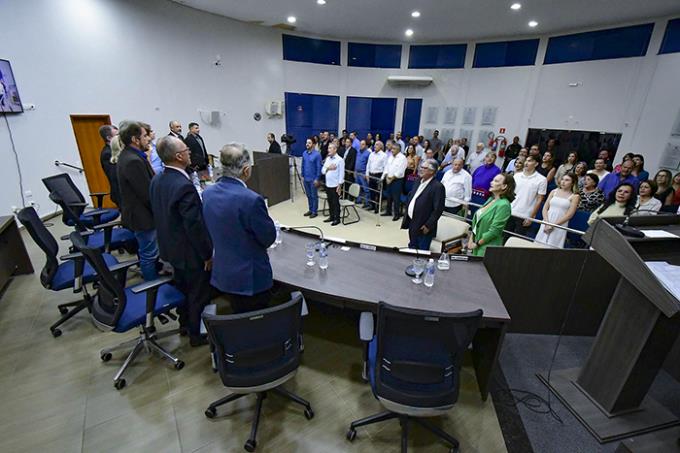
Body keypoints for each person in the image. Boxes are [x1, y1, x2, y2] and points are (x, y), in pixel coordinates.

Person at [149, 136, 212, 347]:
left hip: (170, 249)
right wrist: (207, 254)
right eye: (187, 150)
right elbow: (194, 225)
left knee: (184, 291)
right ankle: (197, 334)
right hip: (189, 253)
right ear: (178, 156)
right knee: (197, 294)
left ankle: (185, 325)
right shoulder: (184, 186)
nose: (189, 153)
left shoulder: (157, 179)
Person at [203, 143, 276, 313]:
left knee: (238, 314)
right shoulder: (251, 200)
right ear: (246, 170)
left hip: (224, 273)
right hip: (250, 279)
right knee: (255, 319)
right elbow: (268, 238)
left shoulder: (208, 193)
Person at [116, 121, 159, 281]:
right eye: (145, 136)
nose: (148, 139)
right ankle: (153, 287)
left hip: (140, 214)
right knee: (149, 255)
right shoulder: (133, 160)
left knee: (149, 252)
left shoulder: (131, 155)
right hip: (143, 217)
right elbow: (147, 194)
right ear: (135, 139)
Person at [401, 159, 445, 250]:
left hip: (423, 227)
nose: (420, 169)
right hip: (412, 222)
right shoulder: (418, 181)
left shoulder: (438, 187)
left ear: (432, 171)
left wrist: (428, 225)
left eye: (424, 168)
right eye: (420, 167)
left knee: (421, 253)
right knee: (412, 248)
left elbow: (438, 209)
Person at [467, 173, 515, 257]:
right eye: (493, 180)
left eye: (496, 181)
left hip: (487, 248)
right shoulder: (490, 199)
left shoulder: (504, 205)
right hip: (476, 244)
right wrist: (471, 239)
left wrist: (477, 243)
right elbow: (477, 223)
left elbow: (494, 231)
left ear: (504, 186)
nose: (491, 182)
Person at [534, 174, 580, 248]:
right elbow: (545, 208)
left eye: (567, 180)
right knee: (539, 243)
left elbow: (570, 214)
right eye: (562, 179)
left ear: (572, 183)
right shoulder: (553, 191)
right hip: (547, 220)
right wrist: (546, 223)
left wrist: (553, 225)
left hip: (560, 223)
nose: (563, 182)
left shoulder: (575, 196)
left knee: (553, 245)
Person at [510, 155, 547, 236]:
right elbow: (510, 193)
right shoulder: (516, 175)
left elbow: (539, 200)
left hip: (525, 215)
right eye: (526, 160)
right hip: (510, 211)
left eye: (530, 161)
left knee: (516, 242)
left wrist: (531, 217)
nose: (526, 162)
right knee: (504, 237)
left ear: (536, 164)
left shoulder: (542, 180)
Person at [381, 143, 408, 221]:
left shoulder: (402, 158)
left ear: (398, 150)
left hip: (397, 180)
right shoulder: (390, 157)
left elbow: (400, 171)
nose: (392, 150)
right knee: (389, 196)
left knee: (396, 198)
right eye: (391, 148)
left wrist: (391, 179)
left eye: (394, 149)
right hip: (388, 179)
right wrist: (385, 177)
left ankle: (397, 214)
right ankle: (388, 211)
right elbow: (386, 167)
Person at [322, 143, 344, 226]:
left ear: (335, 150)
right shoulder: (328, 159)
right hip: (328, 184)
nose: (328, 150)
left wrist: (340, 185)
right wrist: (328, 168)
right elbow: (323, 171)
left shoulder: (340, 160)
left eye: (330, 148)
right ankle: (331, 216)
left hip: (335, 185)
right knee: (330, 201)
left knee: (335, 203)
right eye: (328, 148)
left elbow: (341, 174)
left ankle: (337, 218)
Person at [98, 124, 121, 207]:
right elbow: (115, 177)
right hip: (120, 193)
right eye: (117, 135)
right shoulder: (107, 153)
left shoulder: (117, 150)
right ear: (109, 138)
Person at [301, 138, 322, 218]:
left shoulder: (317, 155)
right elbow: (303, 165)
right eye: (306, 142)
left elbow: (319, 167)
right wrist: (302, 175)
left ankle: (314, 211)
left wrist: (317, 178)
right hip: (306, 178)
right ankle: (310, 209)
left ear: (313, 144)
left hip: (313, 179)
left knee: (314, 196)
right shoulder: (304, 153)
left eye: (309, 143)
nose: (307, 144)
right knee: (308, 195)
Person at [366, 141, 387, 213]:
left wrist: (382, 178)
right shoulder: (371, 154)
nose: (375, 146)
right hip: (371, 174)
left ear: (381, 147)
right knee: (371, 191)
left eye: (377, 145)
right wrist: (367, 174)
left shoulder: (384, 155)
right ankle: (372, 205)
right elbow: (368, 165)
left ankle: (377, 207)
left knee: (378, 193)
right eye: (375, 145)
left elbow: (385, 168)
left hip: (378, 175)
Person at [355, 140, 371, 208]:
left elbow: (368, 164)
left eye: (363, 144)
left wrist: (366, 174)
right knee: (358, 188)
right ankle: (359, 200)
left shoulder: (368, 153)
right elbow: (356, 162)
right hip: (357, 172)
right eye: (360, 144)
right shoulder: (358, 152)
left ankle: (367, 202)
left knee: (366, 189)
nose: (361, 146)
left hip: (363, 173)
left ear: (366, 146)